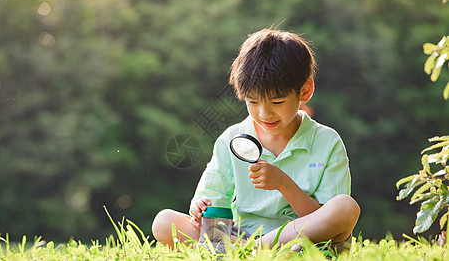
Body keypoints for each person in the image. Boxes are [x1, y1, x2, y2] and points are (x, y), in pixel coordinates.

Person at [152, 29, 360, 252]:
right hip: (241, 236)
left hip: (302, 244)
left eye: (277, 102)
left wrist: (284, 184)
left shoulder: (327, 142)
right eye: (252, 102)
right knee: (164, 222)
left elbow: (321, 218)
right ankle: (246, 251)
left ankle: (253, 252)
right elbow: (213, 206)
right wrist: (200, 208)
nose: (264, 114)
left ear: (305, 91)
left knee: (345, 207)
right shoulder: (231, 139)